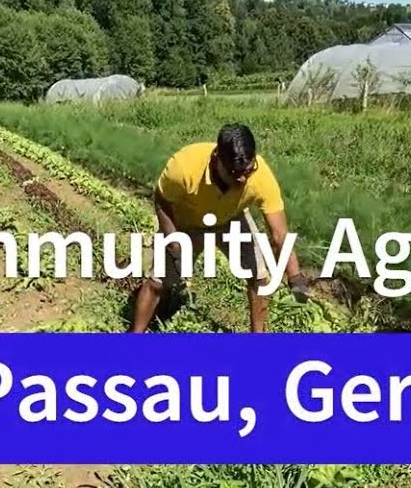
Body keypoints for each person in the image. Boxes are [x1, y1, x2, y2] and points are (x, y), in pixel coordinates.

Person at [129, 123, 310, 333]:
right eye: (235, 173)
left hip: (231, 220)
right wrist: (172, 238)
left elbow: (279, 234)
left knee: (259, 277)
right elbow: (162, 198)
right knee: (159, 282)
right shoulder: (184, 166)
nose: (242, 178)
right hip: (187, 223)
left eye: (248, 170)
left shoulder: (260, 177)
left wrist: (295, 277)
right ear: (217, 159)